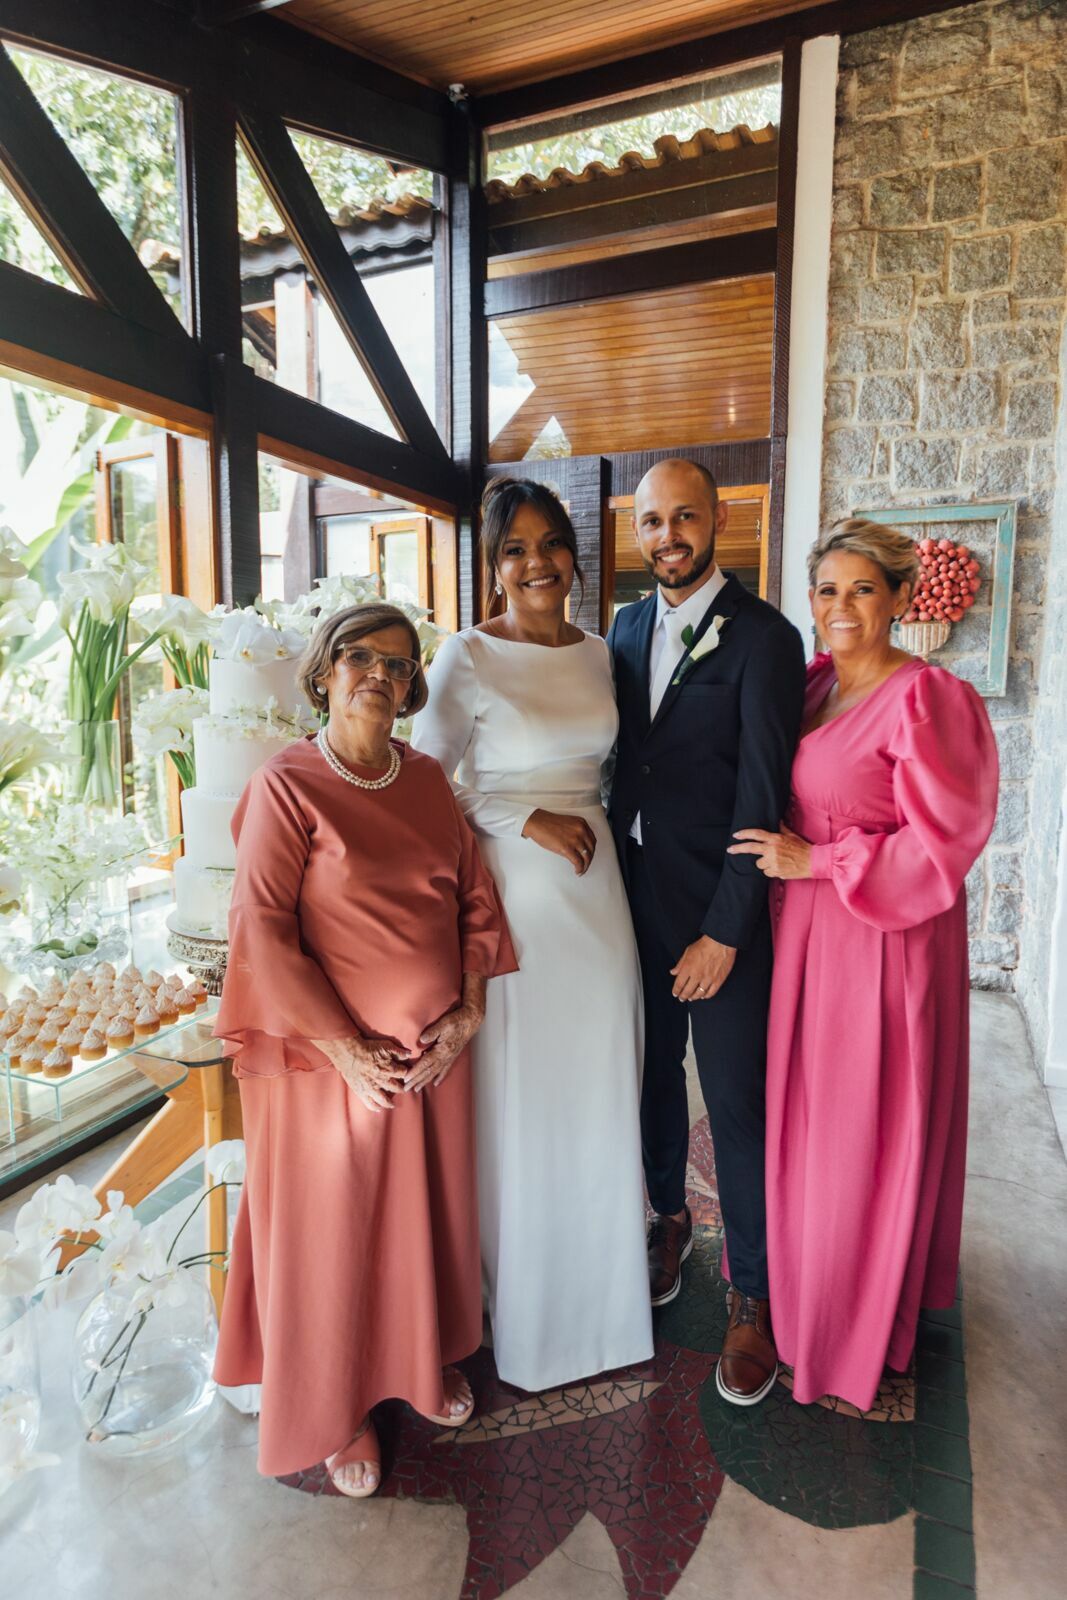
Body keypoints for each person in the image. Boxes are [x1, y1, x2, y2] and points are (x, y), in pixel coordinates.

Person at [212, 602, 516, 1496]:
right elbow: (261, 931)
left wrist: (465, 1011)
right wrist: (344, 1047)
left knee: (420, 1220)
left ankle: (421, 1361)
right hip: (324, 1066)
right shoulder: (286, 783)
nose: (380, 674)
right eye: (360, 658)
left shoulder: (424, 780)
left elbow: (474, 901)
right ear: (323, 673)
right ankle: (335, 1407)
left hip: (431, 1063)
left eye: (398, 663)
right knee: (333, 1237)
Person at [729, 520, 998, 1413]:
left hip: (881, 943)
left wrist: (823, 863)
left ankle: (850, 1328)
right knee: (806, 1126)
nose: (840, 609)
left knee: (860, 1132)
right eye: (826, 591)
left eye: (861, 591)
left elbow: (939, 848)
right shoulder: (810, 688)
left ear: (896, 598)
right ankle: (800, 1299)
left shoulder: (927, 697)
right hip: (805, 936)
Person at [411, 477, 653, 1392]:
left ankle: (603, 1308)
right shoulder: (465, 656)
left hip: (600, 906)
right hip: (516, 897)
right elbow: (423, 783)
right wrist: (522, 821)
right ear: (491, 567)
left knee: (599, 1083)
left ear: (574, 553)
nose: (536, 563)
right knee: (529, 1099)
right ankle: (526, 1309)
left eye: (550, 543)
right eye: (514, 549)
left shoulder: (599, 654)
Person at [607, 458, 806, 1407]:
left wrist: (726, 931)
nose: (668, 536)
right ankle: (664, 1218)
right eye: (652, 521)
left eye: (684, 517)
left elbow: (760, 796)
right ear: (635, 529)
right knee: (649, 1074)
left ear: (717, 518)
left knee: (733, 1105)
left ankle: (752, 1294)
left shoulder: (766, 638)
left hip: (719, 917)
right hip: (630, 897)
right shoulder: (624, 625)